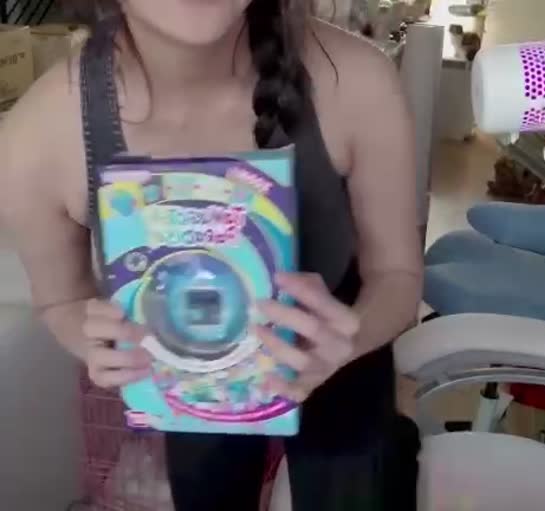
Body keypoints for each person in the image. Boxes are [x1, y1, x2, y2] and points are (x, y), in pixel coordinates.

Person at [0, 0, 423, 510]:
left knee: (355, 476)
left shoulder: (355, 80)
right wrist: (99, 345)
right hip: (189, 365)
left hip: (343, 336)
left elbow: (397, 275)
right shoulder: (36, 141)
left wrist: (353, 336)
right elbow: (60, 300)